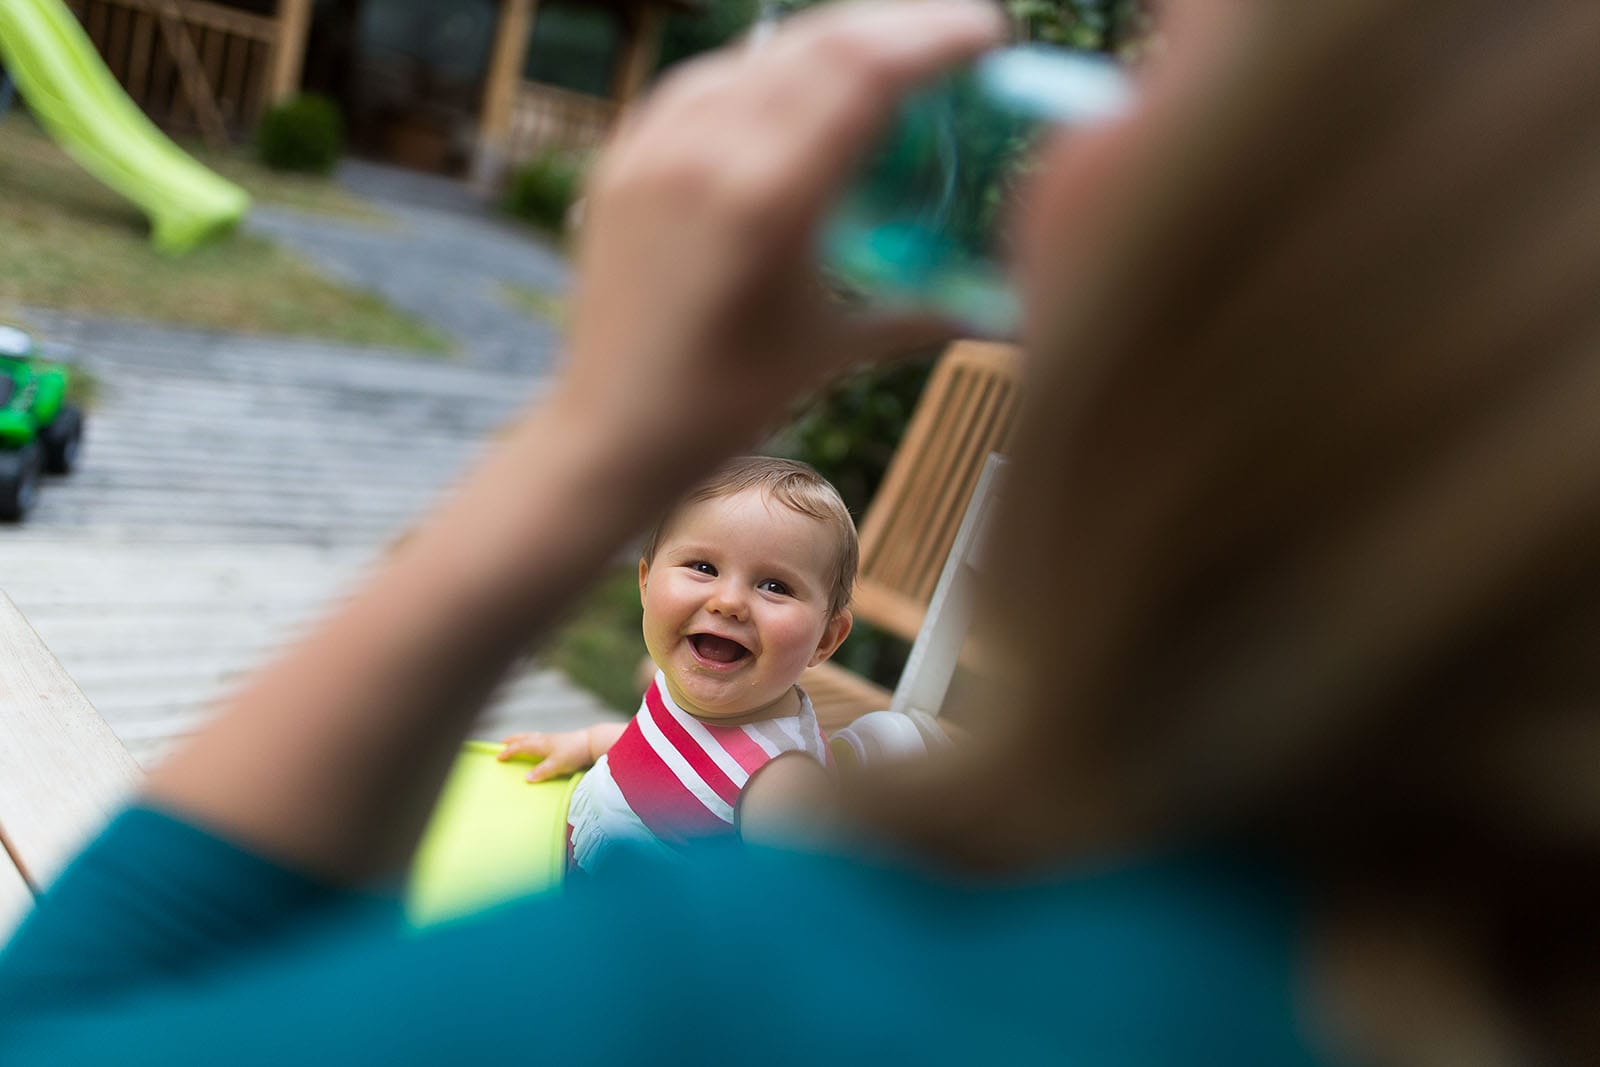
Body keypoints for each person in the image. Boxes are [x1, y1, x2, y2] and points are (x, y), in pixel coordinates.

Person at [1, 0, 1595, 1063]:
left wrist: (591, 445)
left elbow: (67, 1016)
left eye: (1161, 76)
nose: (1053, 173)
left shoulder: (787, 978)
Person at [496, 456, 854, 871]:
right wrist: (589, 743)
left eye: (775, 586)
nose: (729, 602)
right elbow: (671, 750)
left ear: (826, 639)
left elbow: (783, 910)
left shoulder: (780, 780)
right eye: (704, 567)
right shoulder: (683, 684)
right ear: (646, 581)